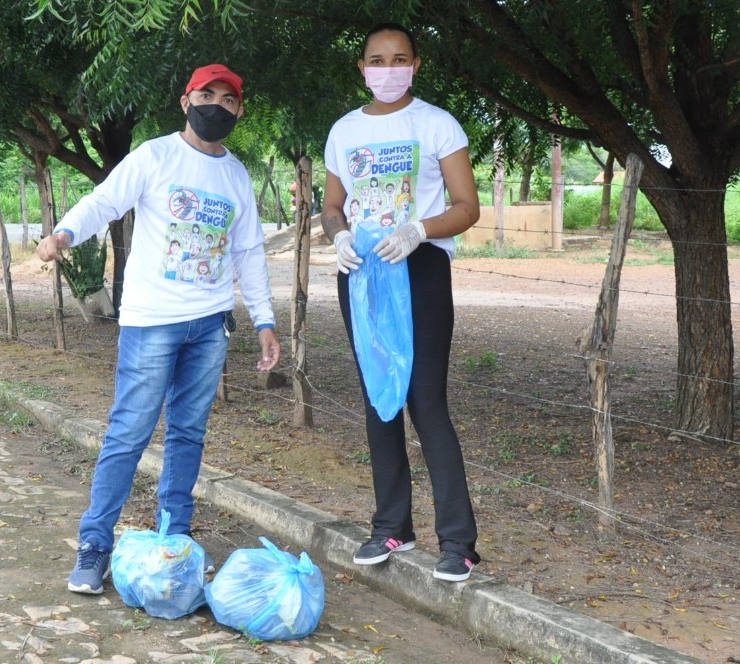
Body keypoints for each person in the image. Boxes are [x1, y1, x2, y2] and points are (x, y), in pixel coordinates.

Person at [36, 63, 281, 595]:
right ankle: (94, 545)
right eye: (207, 94)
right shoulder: (155, 155)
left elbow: (248, 253)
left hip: (210, 325)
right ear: (186, 100)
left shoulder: (236, 175)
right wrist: (64, 233)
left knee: (189, 433)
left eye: (228, 99)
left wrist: (265, 319)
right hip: (152, 322)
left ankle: (176, 539)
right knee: (129, 433)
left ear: (240, 110)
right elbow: (105, 200)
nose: (217, 105)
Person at [321, 23, 482, 582]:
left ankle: (458, 542)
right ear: (361, 68)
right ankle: (392, 525)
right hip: (362, 271)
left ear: (416, 65)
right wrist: (338, 236)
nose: (387, 68)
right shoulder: (344, 131)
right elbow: (332, 206)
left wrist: (418, 230)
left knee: (425, 401)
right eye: (376, 60)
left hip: (418, 267)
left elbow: (467, 207)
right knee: (377, 396)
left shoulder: (437, 124)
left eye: (399, 59)